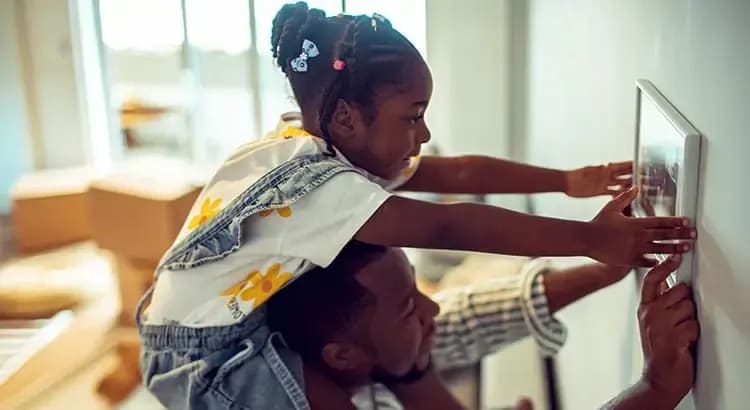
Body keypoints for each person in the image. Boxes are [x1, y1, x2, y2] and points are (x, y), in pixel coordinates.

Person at [136, 3, 695, 409]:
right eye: (412, 115)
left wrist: (567, 180)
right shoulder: (316, 188)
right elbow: (447, 221)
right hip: (203, 358)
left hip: (211, 320)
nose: (424, 133)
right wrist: (588, 238)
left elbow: (457, 174)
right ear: (349, 117)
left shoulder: (319, 141)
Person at [268, 243, 698, 410]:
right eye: (407, 308)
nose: (432, 307)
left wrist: (602, 271)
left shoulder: (364, 350)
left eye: (419, 288)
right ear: (341, 356)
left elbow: (464, 318)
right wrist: (656, 387)